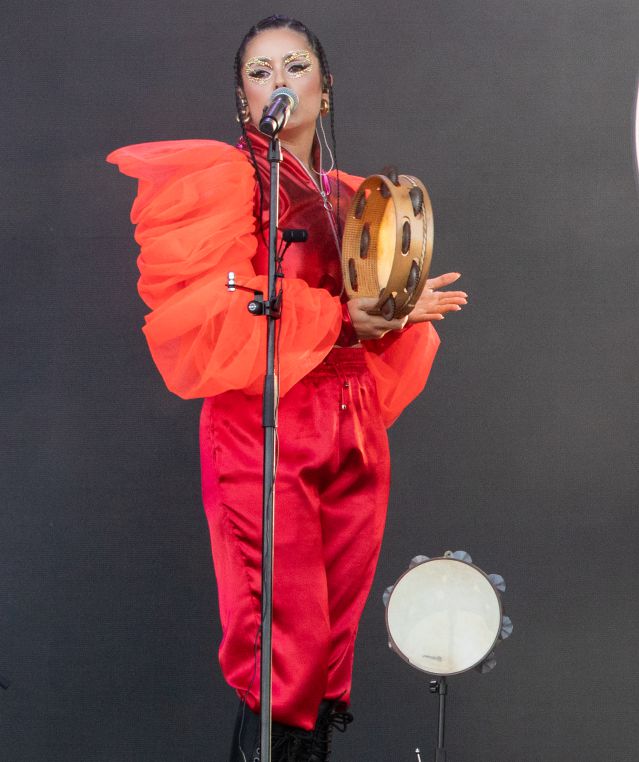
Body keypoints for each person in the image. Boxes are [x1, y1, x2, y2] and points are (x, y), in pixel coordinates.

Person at [108, 15, 466, 761]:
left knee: (332, 650)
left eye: (295, 67)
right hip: (265, 433)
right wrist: (345, 317)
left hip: (351, 429)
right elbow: (223, 312)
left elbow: (363, 325)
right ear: (244, 100)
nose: (280, 82)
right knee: (284, 648)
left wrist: (398, 310)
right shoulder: (230, 183)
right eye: (261, 71)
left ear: (324, 90)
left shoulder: (351, 196)